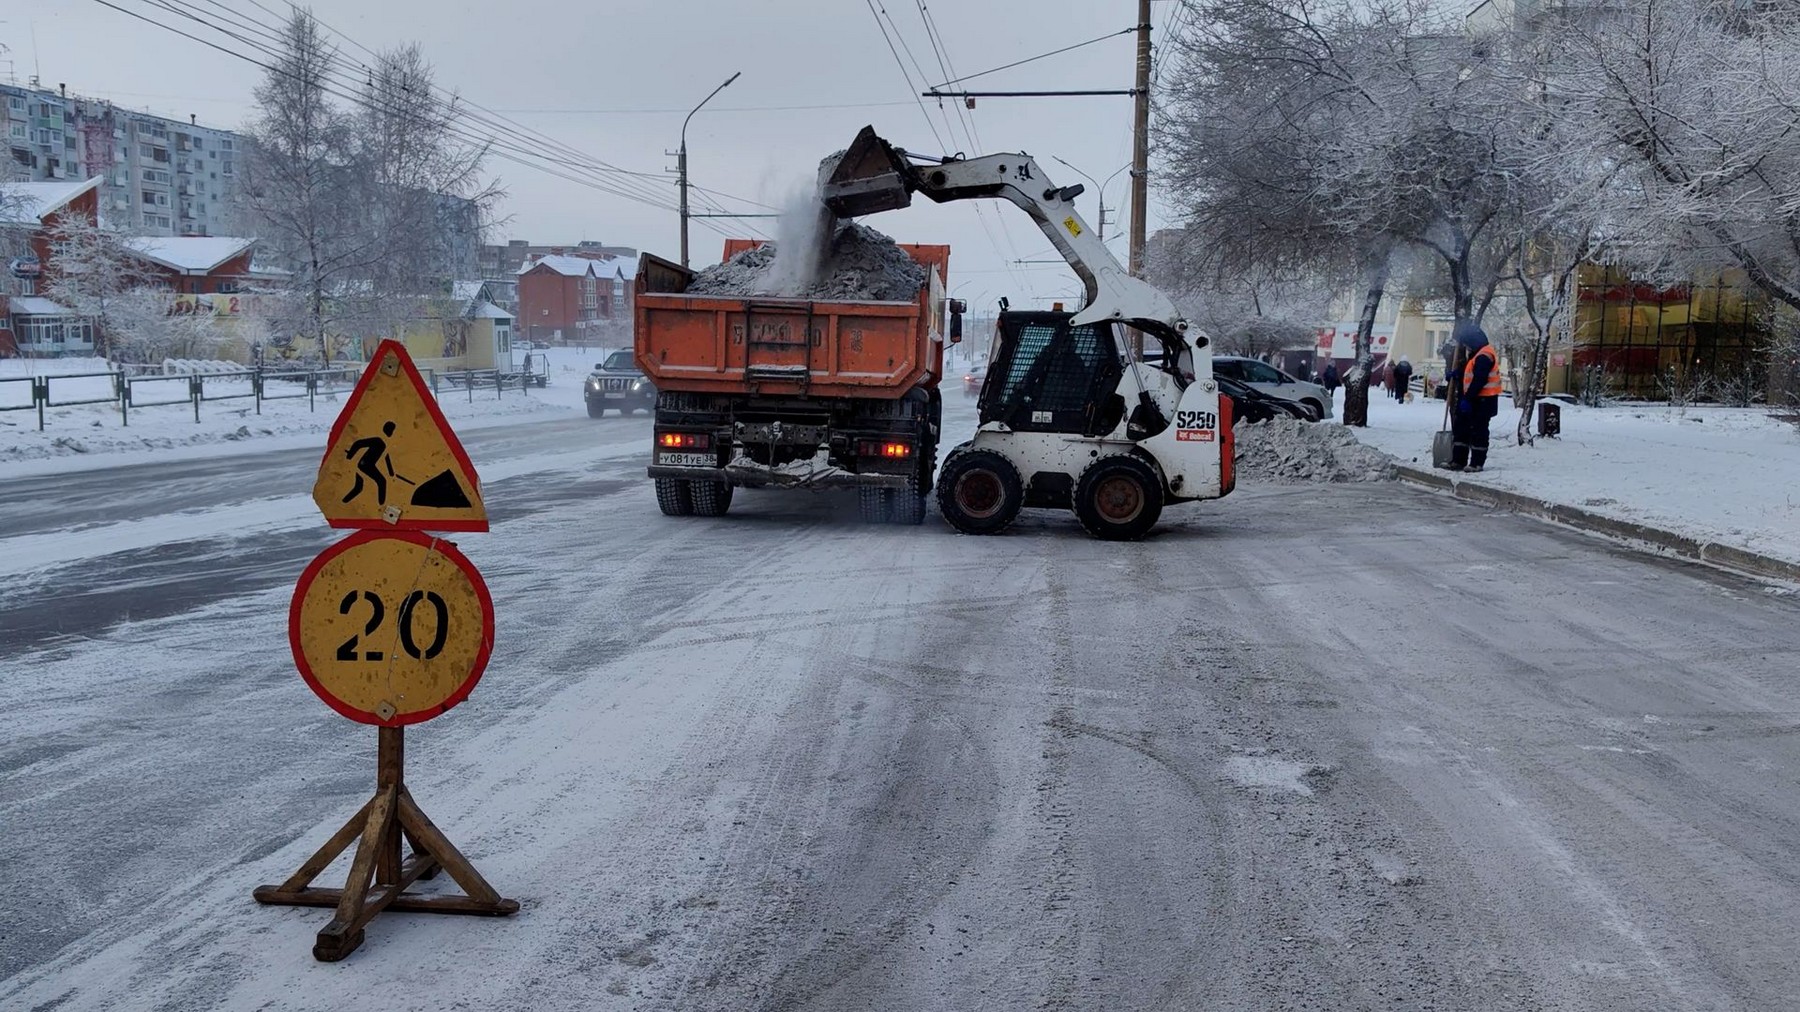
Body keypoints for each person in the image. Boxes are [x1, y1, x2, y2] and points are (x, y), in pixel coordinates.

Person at [1449, 323, 1501, 472]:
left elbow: (1480, 378)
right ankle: (1458, 460)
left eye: (1467, 344)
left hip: (1484, 401)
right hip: (1474, 399)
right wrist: (1457, 374)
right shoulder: (1477, 353)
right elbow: (1469, 371)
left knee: (1478, 431)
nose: (1466, 347)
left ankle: (1477, 463)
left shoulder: (1485, 355)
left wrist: (1468, 398)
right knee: (1461, 429)